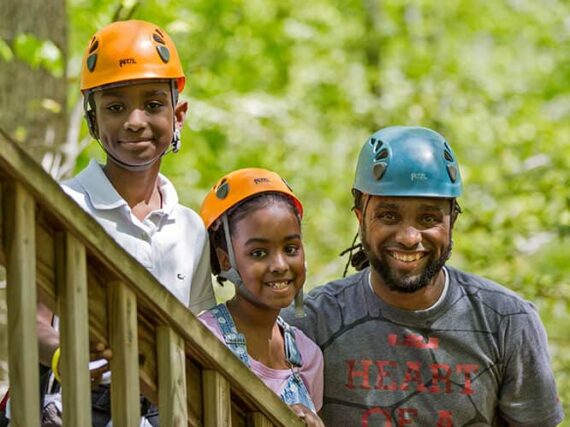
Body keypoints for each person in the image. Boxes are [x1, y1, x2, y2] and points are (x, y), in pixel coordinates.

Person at [281, 126, 565, 426]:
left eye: (428, 218)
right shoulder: (312, 322)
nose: (408, 236)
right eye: (389, 216)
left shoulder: (507, 321)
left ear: (452, 220)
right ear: (361, 218)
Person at [35, 19, 216, 426]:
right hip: (80, 406)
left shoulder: (189, 229)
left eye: (153, 104)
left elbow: (206, 337)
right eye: (115, 107)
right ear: (93, 121)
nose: (135, 121)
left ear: (179, 115)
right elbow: (32, 319)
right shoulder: (63, 206)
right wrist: (67, 357)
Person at [198, 168, 325, 427]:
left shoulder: (307, 355)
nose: (279, 265)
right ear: (225, 260)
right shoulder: (204, 338)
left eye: (290, 249)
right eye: (258, 253)